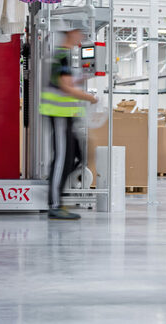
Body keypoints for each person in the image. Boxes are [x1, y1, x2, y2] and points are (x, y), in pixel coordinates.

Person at [40, 28, 98, 220]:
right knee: (62, 159)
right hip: (58, 114)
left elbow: (66, 82)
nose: (82, 37)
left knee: (79, 156)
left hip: (67, 115)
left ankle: (55, 186)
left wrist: (81, 78)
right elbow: (65, 87)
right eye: (79, 33)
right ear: (70, 34)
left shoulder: (66, 57)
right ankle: (55, 204)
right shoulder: (62, 56)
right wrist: (89, 97)